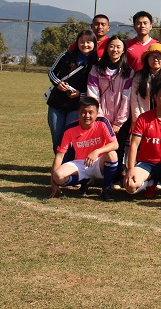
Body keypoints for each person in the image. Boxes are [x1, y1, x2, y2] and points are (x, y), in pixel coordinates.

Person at [49, 97, 119, 202]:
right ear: (78, 113)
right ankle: (85, 181)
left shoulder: (103, 122)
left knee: (112, 154)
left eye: (90, 112)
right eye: (83, 112)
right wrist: (53, 181)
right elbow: (59, 155)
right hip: (80, 163)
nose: (87, 116)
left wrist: (97, 151)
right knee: (58, 176)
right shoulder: (70, 129)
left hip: (99, 162)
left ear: (97, 113)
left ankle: (106, 189)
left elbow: (115, 144)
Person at [47, 29, 98, 161]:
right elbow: (51, 72)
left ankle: (69, 166)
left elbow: (94, 87)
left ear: (94, 44)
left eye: (88, 42)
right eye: (82, 41)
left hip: (77, 106)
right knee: (57, 137)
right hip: (56, 103)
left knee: (71, 137)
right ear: (77, 42)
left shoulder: (96, 63)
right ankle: (61, 164)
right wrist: (58, 83)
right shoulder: (66, 55)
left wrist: (80, 94)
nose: (85, 45)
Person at [87, 35, 133, 134]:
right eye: (111, 46)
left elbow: (127, 98)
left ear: (123, 50)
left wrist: (118, 123)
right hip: (99, 121)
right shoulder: (96, 70)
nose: (115, 50)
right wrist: (100, 119)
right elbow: (93, 95)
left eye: (118, 47)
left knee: (119, 144)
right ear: (107, 48)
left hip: (122, 124)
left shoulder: (128, 72)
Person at [130, 43, 161, 125]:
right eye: (152, 56)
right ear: (147, 59)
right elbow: (134, 99)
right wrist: (138, 119)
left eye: (159, 57)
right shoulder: (139, 77)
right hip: (142, 118)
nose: (155, 60)